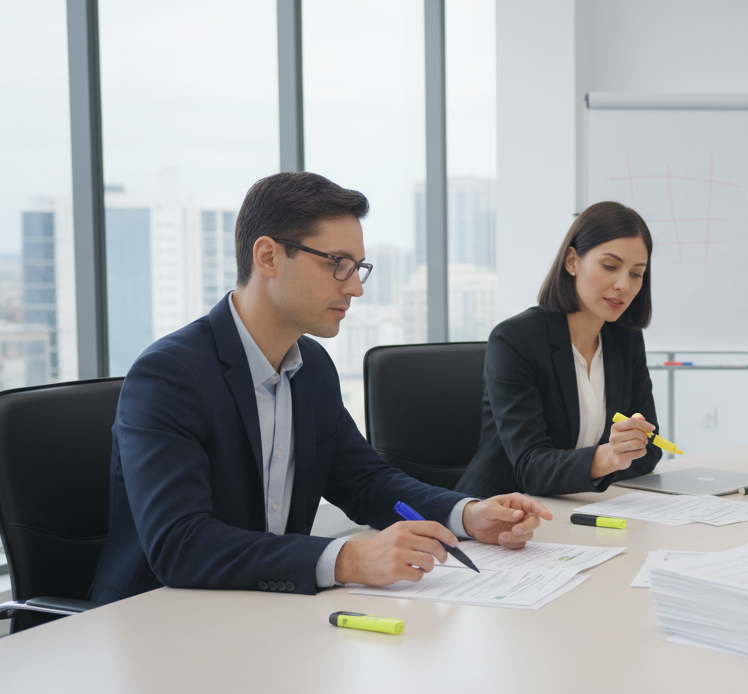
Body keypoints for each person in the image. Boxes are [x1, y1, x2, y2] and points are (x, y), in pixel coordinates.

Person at [91, 172, 552, 602]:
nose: (355, 288)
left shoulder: (310, 366)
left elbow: (367, 482)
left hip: (265, 611)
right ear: (268, 256)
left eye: (358, 267)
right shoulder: (170, 375)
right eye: (338, 264)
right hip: (159, 622)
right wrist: (347, 558)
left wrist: (468, 516)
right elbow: (180, 544)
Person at [455, 201, 662, 498]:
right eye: (610, 266)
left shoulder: (625, 339)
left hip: (578, 506)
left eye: (636, 274)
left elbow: (649, 451)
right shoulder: (515, 339)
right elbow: (530, 468)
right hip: (501, 514)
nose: (623, 285)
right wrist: (608, 457)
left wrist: (622, 453)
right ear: (572, 261)